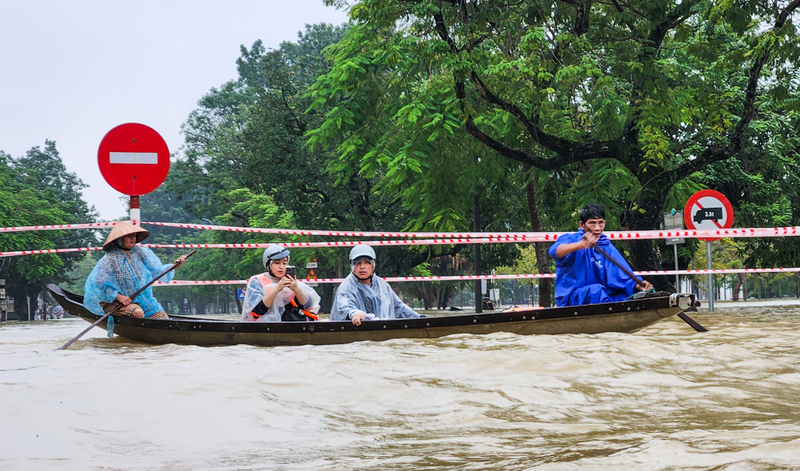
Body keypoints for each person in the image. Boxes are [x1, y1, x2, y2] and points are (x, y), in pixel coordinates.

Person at [548, 203, 653, 307]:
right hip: (573, 298)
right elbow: (554, 251)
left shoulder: (606, 245)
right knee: (596, 291)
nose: (597, 228)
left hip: (602, 294)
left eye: (601, 223)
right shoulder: (572, 239)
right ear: (582, 225)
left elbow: (620, 274)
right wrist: (579, 245)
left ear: (605, 223)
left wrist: (636, 284)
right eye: (592, 223)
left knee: (627, 297)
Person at [83, 221, 187, 319]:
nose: (132, 238)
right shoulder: (108, 260)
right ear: (119, 239)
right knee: (138, 313)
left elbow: (157, 270)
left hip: (143, 300)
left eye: (134, 235)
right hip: (115, 302)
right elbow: (98, 284)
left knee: (162, 317)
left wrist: (174, 266)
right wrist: (119, 297)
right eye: (128, 236)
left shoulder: (141, 252)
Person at [330, 245, 421, 325]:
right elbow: (344, 307)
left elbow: (398, 308)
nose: (362, 267)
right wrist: (354, 314)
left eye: (366, 262)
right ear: (352, 266)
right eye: (358, 263)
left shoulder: (382, 285)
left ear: (373, 265)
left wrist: (419, 318)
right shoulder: (346, 287)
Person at [241, 244, 320, 322]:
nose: (281, 267)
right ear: (268, 265)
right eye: (277, 263)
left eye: (284, 263)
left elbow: (307, 306)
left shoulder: (291, 281)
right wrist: (277, 289)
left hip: (289, 326)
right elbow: (256, 311)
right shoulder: (257, 281)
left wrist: (296, 290)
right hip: (263, 326)